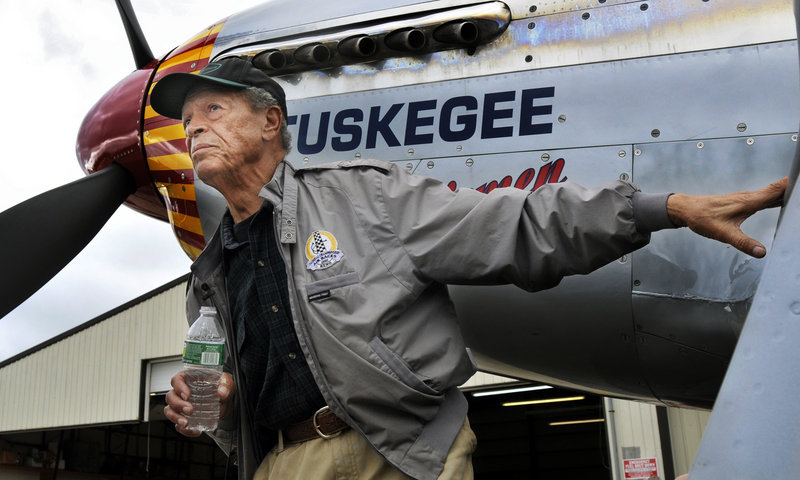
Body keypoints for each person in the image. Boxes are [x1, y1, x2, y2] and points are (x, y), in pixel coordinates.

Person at [152, 57, 786, 480]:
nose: (193, 130)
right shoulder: (209, 275)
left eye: (213, 112)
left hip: (399, 453)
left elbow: (517, 225)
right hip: (284, 464)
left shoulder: (365, 198)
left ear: (271, 123)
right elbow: (219, 402)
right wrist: (208, 405)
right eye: (186, 123)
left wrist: (663, 207)